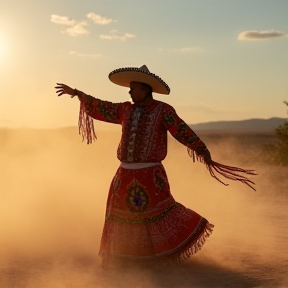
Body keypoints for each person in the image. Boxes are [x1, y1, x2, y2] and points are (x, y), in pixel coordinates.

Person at [55, 65, 255, 269]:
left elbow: (181, 130)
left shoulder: (163, 110)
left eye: (133, 88)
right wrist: (78, 94)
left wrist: (201, 150)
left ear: (145, 89)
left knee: (158, 212)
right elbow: (102, 107)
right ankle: (125, 257)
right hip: (124, 173)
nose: (130, 92)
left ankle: (159, 256)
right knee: (121, 214)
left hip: (151, 174)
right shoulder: (125, 109)